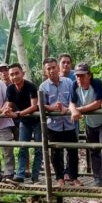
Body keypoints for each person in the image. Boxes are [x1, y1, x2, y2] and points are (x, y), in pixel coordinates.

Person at [69, 63, 102, 187]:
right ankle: (97, 179)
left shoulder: (97, 83)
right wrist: (74, 110)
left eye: (82, 76)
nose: (80, 78)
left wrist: (80, 110)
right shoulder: (74, 85)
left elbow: (97, 103)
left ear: (89, 75)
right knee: (93, 150)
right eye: (77, 76)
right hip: (90, 123)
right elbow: (71, 103)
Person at [39, 57, 80, 187]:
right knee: (56, 153)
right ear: (45, 71)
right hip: (53, 125)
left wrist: (66, 109)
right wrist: (54, 108)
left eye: (53, 67)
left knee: (73, 152)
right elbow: (42, 105)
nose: (51, 70)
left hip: (69, 123)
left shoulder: (69, 82)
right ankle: (59, 178)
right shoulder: (43, 86)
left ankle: (74, 177)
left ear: (58, 68)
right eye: (48, 68)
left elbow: (73, 100)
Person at [5, 63, 42, 183]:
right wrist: (6, 110)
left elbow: (34, 106)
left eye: (16, 73)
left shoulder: (31, 86)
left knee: (38, 149)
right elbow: (9, 104)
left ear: (22, 73)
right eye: (11, 74)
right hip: (24, 122)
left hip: (37, 121)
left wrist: (18, 114)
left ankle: (35, 177)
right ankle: (19, 175)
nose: (14, 76)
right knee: (22, 147)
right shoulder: (10, 89)